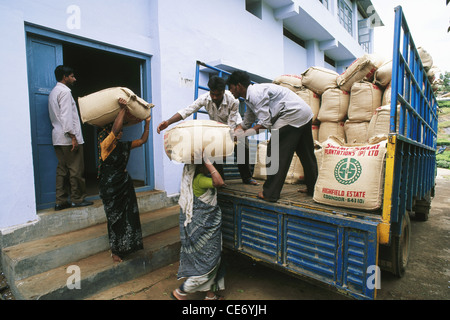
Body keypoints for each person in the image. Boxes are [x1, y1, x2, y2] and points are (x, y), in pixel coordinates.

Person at [227, 70, 318, 202]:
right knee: (306, 154)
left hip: (292, 115)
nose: (230, 92)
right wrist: (236, 131)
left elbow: (264, 124)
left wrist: (243, 135)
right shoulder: (250, 98)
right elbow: (247, 121)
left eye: (231, 88)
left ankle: (270, 193)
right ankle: (313, 188)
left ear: (238, 86)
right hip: (304, 113)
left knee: (274, 152)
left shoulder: (255, 94)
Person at [157, 76, 258, 185]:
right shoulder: (204, 98)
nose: (214, 97)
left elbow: (231, 123)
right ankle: (221, 181)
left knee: (243, 147)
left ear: (224, 92)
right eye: (212, 94)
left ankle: (247, 178)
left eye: (218, 95)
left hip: (234, 126)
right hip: (217, 128)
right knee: (215, 150)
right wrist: (168, 122)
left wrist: (229, 139)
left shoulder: (233, 100)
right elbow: (187, 111)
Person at [97, 98, 151, 263]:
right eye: (117, 131)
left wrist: (147, 123)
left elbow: (142, 141)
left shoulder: (123, 146)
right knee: (115, 217)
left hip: (124, 185)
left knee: (129, 215)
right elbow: (115, 129)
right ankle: (115, 250)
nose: (121, 132)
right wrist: (122, 109)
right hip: (110, 188)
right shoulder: (105, 146)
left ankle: (129, 246)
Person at [171, 156, 226, 300]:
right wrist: (207, 161)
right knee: (208, 261)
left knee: (214, 259)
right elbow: (219, 182)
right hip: (205, 228)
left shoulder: (194, 180)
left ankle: (210, 294)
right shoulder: (200, 179)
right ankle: (181, 291)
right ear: (201, 166)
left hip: (203, 228)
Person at [48, 65, 93, 211]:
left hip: (58, 137)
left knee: (62, 169)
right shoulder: (65, 93)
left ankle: (60, 201)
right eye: (72, 76)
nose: (75, 79)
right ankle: (77, 199)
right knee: (76, 169)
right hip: (68, 138)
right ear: (65, 77)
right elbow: (66, 117)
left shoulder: (54, 92)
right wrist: (73, 137)